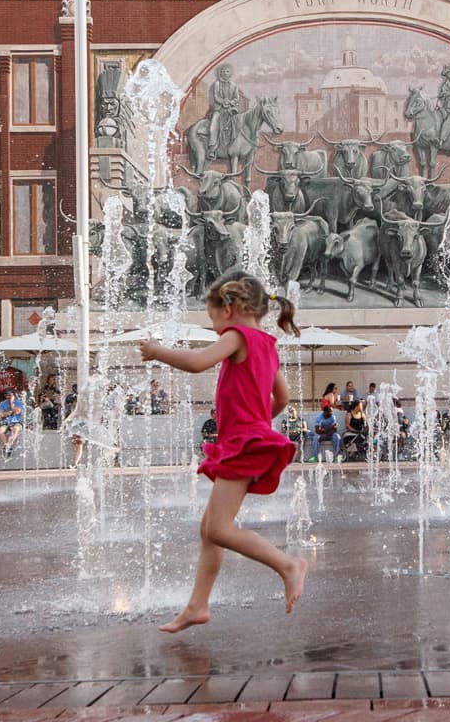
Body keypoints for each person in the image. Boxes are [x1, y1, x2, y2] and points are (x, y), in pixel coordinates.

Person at [138, 269, 306, 632]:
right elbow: (283, 398)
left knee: (219, 530)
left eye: (212, 317)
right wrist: (259, 422)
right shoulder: (267, 344)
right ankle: (197, 606)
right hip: (249, 438)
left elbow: (199, 363)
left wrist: (156, 352)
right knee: (209, 529)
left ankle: (286, 565)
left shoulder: (236, 335)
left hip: (243, 443)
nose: (213, 327)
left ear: (228, 307)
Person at [0, 389, 24, 457]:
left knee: (16, 429)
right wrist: (7, 413)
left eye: (10, 395)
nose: (8, 397)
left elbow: (17, 412)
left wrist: (11, 404)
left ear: (14, 396)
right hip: (6, 422)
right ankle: (6, 446)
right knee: (0, 430)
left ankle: (9, 445)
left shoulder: (19, 402)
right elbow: (1, 414)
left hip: (17, 422)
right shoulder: (2, 403)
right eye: (7, 395)